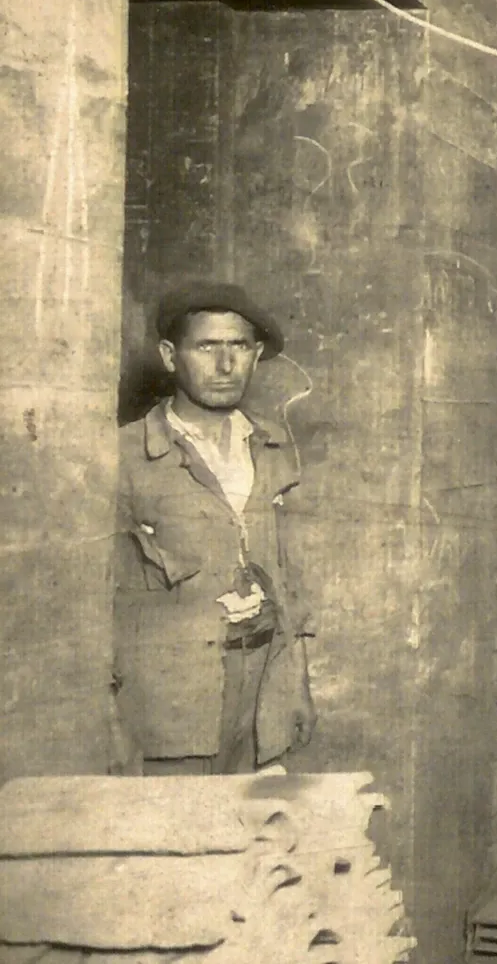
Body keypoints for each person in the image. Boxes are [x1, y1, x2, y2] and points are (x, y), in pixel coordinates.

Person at [114, 282, 316, 774]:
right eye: (207, 346)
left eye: (239, 346)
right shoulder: (123, 457)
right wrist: (112, 727)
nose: (226, 365)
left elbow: (291, 581)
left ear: (256, 353)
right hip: (171, 712)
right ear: (169, 355)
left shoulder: (271, 447)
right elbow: (95, 607)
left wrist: (298, 687)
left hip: (260, 702)